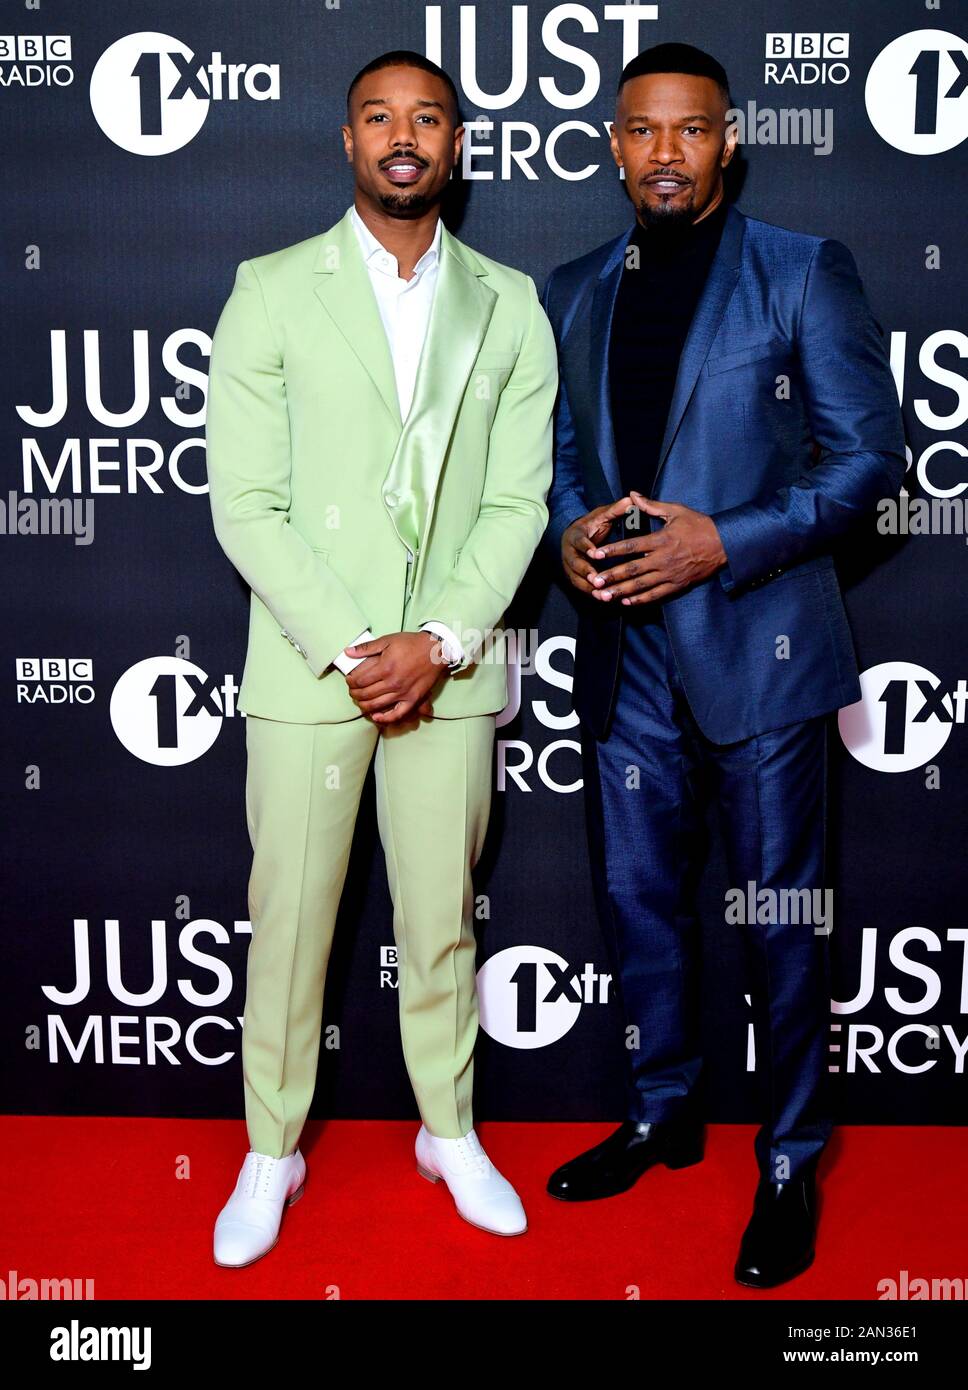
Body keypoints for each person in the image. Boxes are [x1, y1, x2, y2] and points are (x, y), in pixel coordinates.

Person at [540, 42, 906, 1288]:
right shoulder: (574, 286)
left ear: (728, 138)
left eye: (688, 131)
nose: (662, 153)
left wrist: (719, 542)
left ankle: (792, 1153)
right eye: (640, 131)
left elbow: (866, 461)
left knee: (779, 919)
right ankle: (661, 1107)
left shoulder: (801, 271)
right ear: (610, 144)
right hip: (621, 651)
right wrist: (570, 530)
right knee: (638, 904)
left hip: (760, 643)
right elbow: (559, 461)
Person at [205, 49, 558, 1265]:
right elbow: (244, 503)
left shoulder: (509, 303)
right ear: (346, 143)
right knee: (289, 920)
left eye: (427, 117)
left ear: (455, 144)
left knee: (441, 918)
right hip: (313, 669)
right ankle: (270, 1149)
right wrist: (364, 647)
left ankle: (447, 1131)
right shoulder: (267, 290)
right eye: (377, 118)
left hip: (450, 674)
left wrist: (442, 641)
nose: (403, 136)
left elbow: (518, 505)